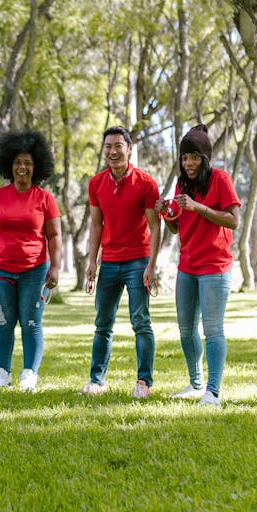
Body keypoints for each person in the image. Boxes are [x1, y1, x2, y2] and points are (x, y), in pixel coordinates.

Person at [158, 124, 241, 406]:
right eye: (184, 158)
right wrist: (167, 215)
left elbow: (233, 220)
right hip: (187, 266)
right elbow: (177, 228)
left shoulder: (220, 179)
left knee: (213, 329)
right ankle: (196, 384)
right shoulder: (183, 184)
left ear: (204, 158)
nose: (188, 163)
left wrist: (199, 207)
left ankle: (213, 392)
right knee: (185, 329)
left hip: (215, 266)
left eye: (193, 157)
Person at [0, 130, 62, 393]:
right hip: (1, 269)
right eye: (16, 162)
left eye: (27, 162)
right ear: (8, 165)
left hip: (35, 271)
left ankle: (28, 374)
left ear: (36, 167)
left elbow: (54, 235)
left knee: (31, 323)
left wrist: (56, 267)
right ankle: (2, 373)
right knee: (2, 322)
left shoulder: (45, 198)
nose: (21, 167)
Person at [83, 126, 160, 399]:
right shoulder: (96, 184)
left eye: (118, 145)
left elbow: (155, 224)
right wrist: (92, 261)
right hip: (110, 263)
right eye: (108, 146)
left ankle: (144, 382)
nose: (113, 151)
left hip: (138, 261)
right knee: (103, 323)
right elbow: (95, 223)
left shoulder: (146, 183)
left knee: (140, 321)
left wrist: (151, 264)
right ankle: (96, 381)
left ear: (129, 148)